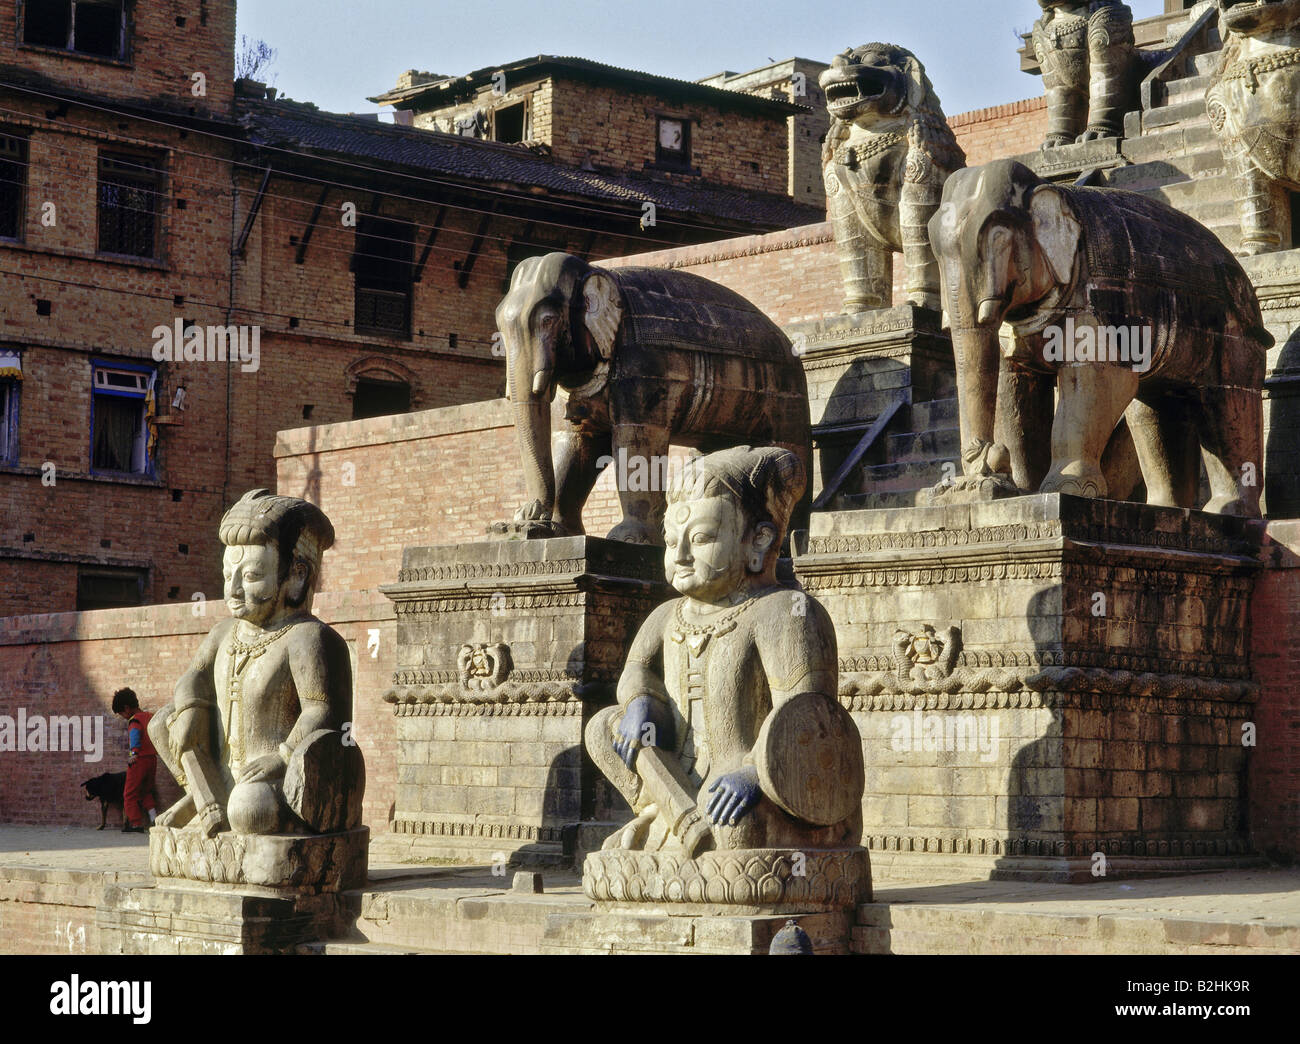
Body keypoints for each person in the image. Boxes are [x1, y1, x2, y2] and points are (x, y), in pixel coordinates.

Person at [585, 445, 862, 855]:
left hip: (761, 789)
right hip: (680, 781)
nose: (679, 556)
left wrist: (753, 775)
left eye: (700, 539)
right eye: (671, 539)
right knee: (606, 726)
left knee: (734, 831)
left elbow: (807, 721)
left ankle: (685, 831)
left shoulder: (785, 612)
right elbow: (636, 671)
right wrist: (642, 699)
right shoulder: (667, 616)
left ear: (758, 540)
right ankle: (662, 812)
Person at [149, 488, 362, 838]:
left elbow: (322, 713)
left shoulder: (308, 637)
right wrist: (190, 707)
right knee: (163, 723)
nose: (232, 589)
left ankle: (218, 804)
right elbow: (194, 677)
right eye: (227, 574)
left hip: (275, 777)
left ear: (296, 575)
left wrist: (282, 756)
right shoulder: (223, 633)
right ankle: (204, 795)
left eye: (250, 577)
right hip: (224, 768)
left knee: (247, 810)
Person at [111, 687, 156, 833]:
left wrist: (133, 754)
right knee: (146, 791)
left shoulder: (134, 721)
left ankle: (135, 824)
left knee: (129, 793)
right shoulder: (150, 716)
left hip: (139, 760)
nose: (123, 716)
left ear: (126, 708)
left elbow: (135, 737)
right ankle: (154, 819)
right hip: (152, 759)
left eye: (121, 713)